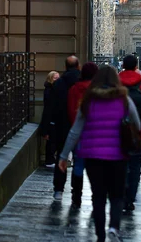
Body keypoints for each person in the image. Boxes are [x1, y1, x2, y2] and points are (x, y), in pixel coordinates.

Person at [59, 65, 141, 242]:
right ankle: (113, 227)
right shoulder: (124, 99)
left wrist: (64, 155)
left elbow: (75, 131)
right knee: (117, 195)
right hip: (118, 155)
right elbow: (137, 123)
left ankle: (100, 235)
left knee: (98, 196)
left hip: (93, 155)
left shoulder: (88, 100)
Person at [118, 55, 141, 211]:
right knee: (134, 167)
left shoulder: (115, 82)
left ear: (122, 65)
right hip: (136, 133)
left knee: (119, 166)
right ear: (136, 66)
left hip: (117, 132)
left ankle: (119, 195)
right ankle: (130, 199)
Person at [65, 61, 99, 207]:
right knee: (96, 170)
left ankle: (76, 196)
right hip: (95, 135)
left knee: (78, 166)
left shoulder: (74, 89)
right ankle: (95, 196)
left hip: (78, 133)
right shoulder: (98, 90)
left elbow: (70, 109)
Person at [49, 55, 81, 202]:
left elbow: (52, 108)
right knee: (77, 160)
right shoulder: (83, 83)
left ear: (65, 66)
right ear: (78, 66)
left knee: (61, 157)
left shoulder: (59, 83)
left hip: (62, 127)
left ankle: (58, 189)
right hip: (79, 127)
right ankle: (76, 191)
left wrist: (48, 127)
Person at [39, 70, 59, 167]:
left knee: (53, 140)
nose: (57, 80)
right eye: (55, 78)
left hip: (52, 117)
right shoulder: (50, 90)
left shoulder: (51, 89)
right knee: (52, 140)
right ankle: (49, 159)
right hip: (51, 118)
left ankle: (50, 159)